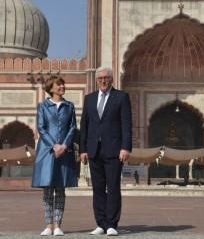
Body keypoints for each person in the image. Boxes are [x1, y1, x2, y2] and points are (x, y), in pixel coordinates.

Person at [80, 67, 132, 236]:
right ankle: (100, 223)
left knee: (113, 187)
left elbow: (126, 124)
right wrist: (83, 149)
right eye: (100, 78)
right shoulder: (89, 99)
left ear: (112, 80)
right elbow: (84, 126)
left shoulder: (121, 97)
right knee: (97, 188)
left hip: (114, 150)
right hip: (94, 150)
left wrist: (125, 147)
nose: (103, 81)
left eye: (106, 78)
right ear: (96, 80)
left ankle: (112, 224)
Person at [32, 75, 78, 236]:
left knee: (60, 188)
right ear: (51, 88)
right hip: (47, 151)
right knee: (47, 188)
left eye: (63, 84)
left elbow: (72, 128)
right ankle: (48, 225)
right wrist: (54, 145)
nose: (62, 87)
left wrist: (64, 145)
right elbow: (41, 128)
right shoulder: (43, 106)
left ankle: (58, 224)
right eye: (59, 84)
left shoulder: (69, 106)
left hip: (64, 151)